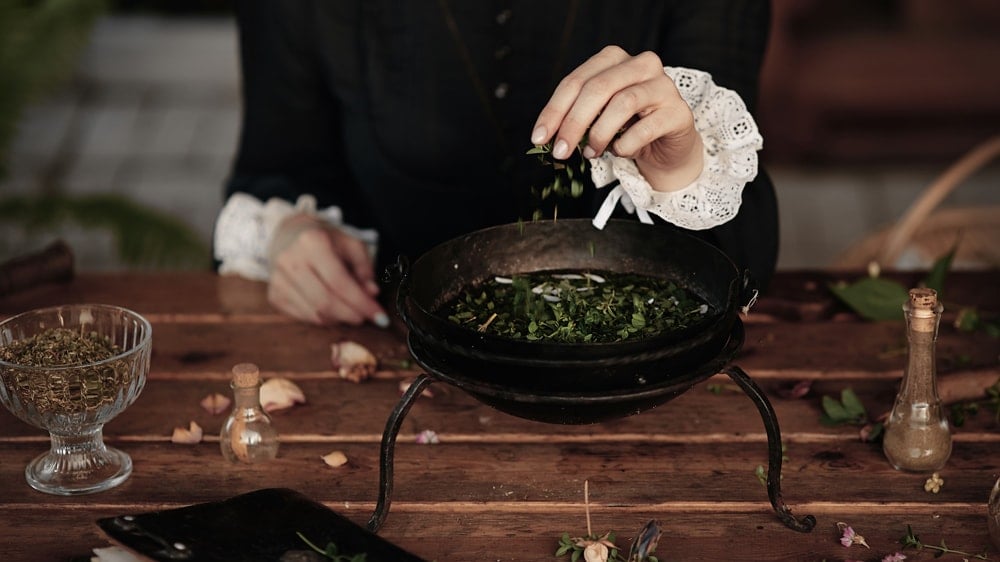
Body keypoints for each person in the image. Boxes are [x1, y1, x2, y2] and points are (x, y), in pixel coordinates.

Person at [214, 0, 776, 327]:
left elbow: (746, 252)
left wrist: (680, 166)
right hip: (392, 347)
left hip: (637, 364)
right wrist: (287, 233)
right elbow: (276, 167)